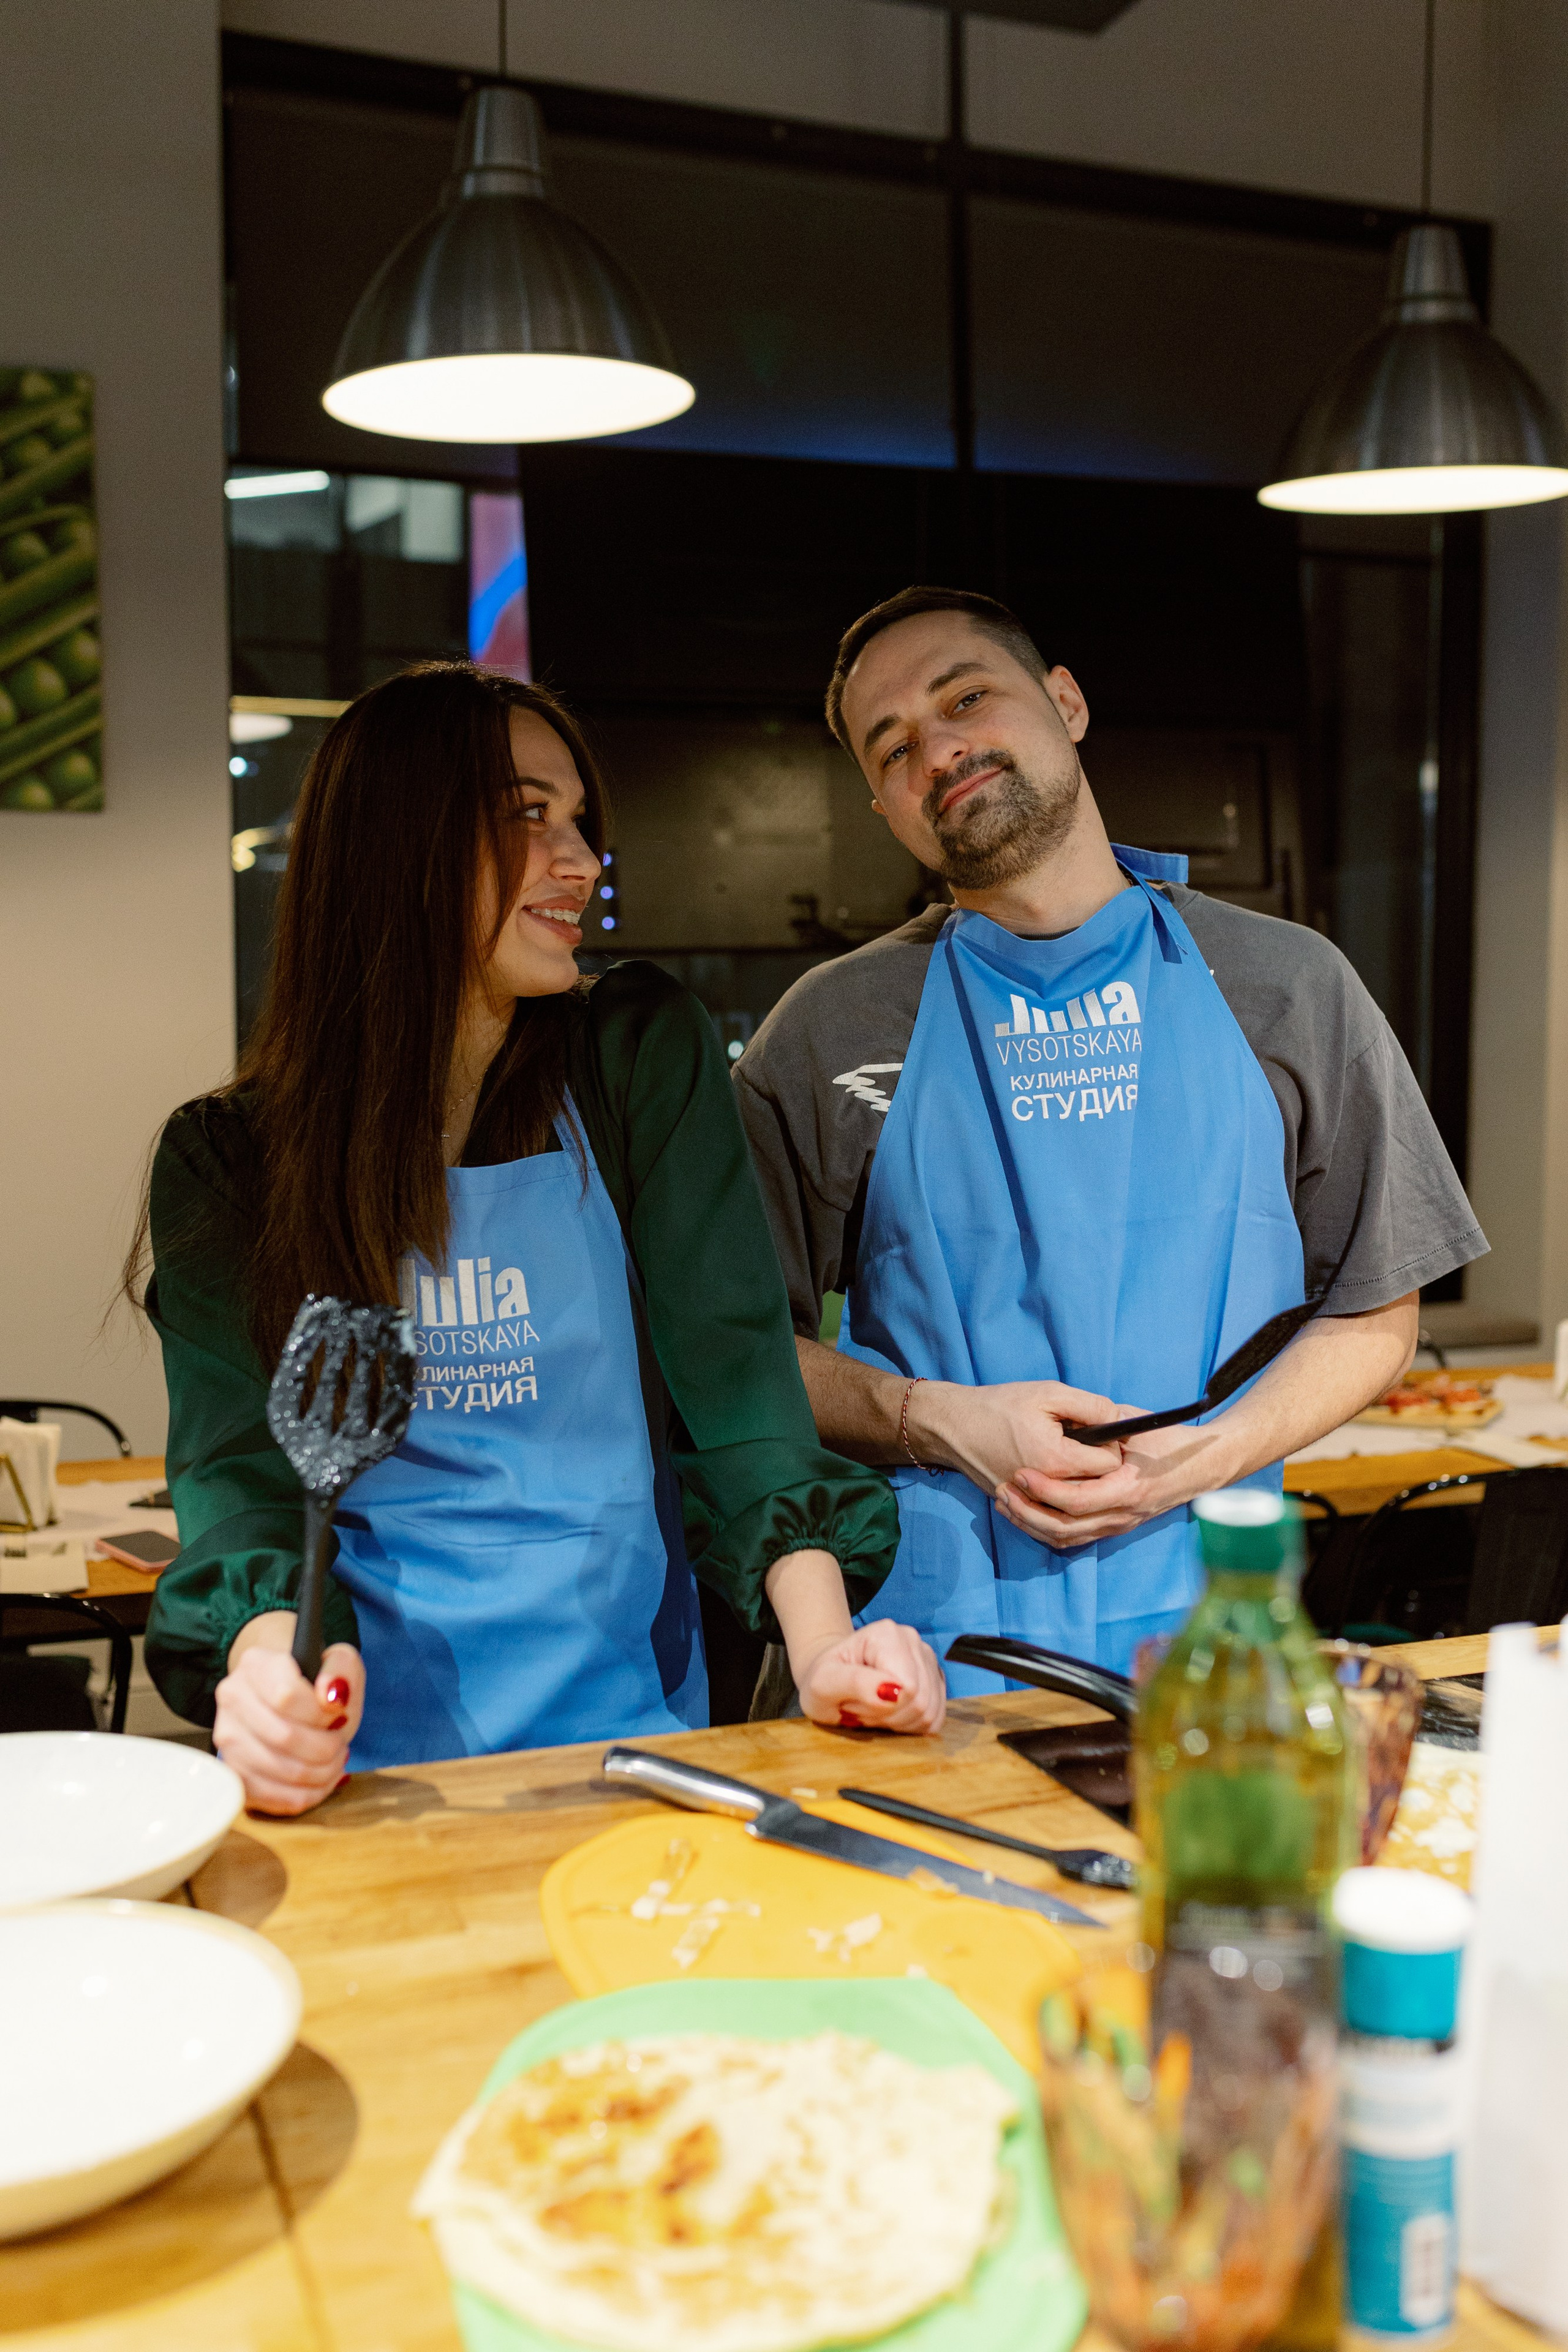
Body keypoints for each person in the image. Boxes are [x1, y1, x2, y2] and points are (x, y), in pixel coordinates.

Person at [135, 663, 943, 1814]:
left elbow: (739, 1395)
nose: (581, 860)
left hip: (635, 1728)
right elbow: (243, 1483)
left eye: (580, 821)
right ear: (397, 842)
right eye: (528, 817)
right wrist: (272, 1678)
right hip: (361, 1755)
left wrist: (825, 1653)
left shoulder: (630, 1059)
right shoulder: (227, 1161)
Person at [734, 586, 1487, 1684]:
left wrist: (1204, 1456)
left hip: (1210, 1629)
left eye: (968, 697)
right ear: (884, 807)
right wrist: (937, 1420)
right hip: (928, 1649)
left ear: (1067, 703)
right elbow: (744, 1361)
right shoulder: (826, 1028)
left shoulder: (1288, 985)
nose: (939, 750)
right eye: (892, 748)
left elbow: (1377, 1309)